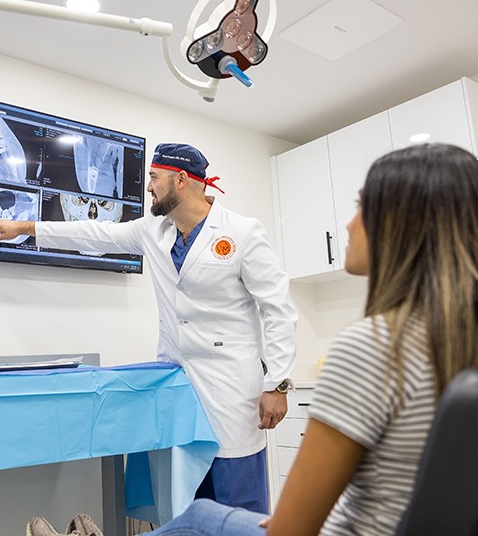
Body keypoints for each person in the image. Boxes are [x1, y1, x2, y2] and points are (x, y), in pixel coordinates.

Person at [143, 142, 478, 536]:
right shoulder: (457, 339)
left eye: (362, 207)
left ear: (402, 226)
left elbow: (292, 528)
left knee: (198, 517)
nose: (349, 224)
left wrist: (277, 384)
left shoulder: (373, 347)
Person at [0, 142, 298, 514]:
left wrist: (277, 384)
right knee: (184, 501)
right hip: (179, 387)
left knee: (237, 500)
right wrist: (25, 227)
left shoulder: (242, 232)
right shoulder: (154, 230)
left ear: (181, 180)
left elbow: (278, 309)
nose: (148, 187)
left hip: (231, 390)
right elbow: (94, 234)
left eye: (154, 178)